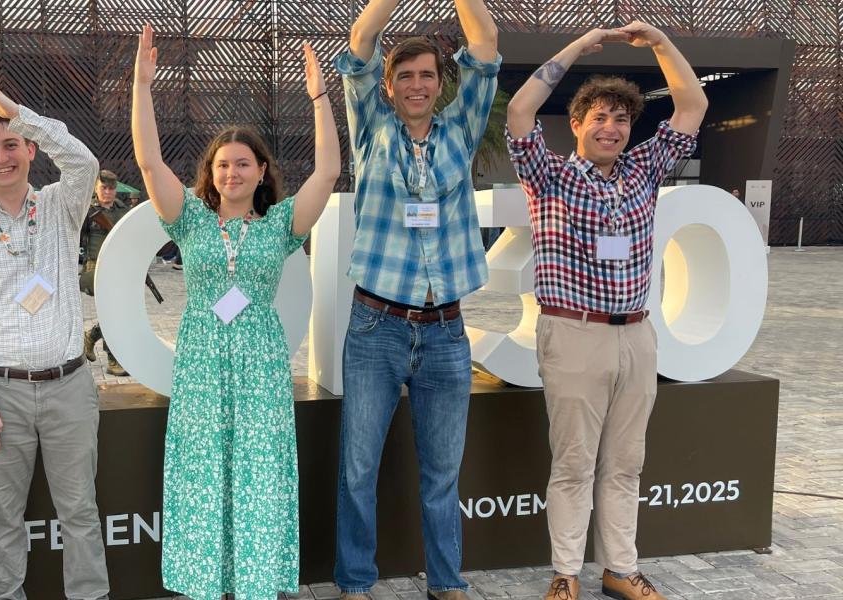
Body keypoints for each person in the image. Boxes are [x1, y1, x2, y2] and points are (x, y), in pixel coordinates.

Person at [132, 24, 340, 600]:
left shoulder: (280, 226)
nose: (232, 173)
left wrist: (319, 97)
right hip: (200, 361)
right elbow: (148, 162)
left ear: (261, 171)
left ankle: (255, 582)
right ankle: (205, 582)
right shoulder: (189, 219)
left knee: (258, 470)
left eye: (243, 163)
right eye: (223, 164)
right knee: (202, 470)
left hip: (260, 364)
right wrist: (143, 87)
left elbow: (327, 173)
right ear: (212, 172)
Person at [505, 22, 706, 600]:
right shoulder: (549, 176)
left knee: (626, 463)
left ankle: (621, 569)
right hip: (573, 333)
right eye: (599, 117)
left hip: (635, 335)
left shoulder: (644, 170)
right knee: (574, 463)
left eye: (621, 119)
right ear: (577, 124)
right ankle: (565, 573)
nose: (611, 128)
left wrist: (661, 43)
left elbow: (693, 105)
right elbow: (519, 111)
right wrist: (579, 46)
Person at [332, 1, 499, 598]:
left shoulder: (461, 128)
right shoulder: (371, 127)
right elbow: (361, 37)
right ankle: (356, 581)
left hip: (446, 331)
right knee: (358, 468)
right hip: (375, 326)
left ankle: (446, 582)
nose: (417, 84)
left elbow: (485, 41)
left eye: (427, 74)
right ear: (388, 85)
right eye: (405, 75)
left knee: (442, 472)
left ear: (440, 82)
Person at [0, 87, 110, 600]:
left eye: (11, 144)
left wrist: (19, 115)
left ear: (31, 148)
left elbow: (84, 162)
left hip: (69, 386)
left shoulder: (61, 204)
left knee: (79, 510)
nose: (2, 157)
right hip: (1, 395)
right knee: (3, 515)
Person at [80, 169, 132, 376]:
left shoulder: (123, 210)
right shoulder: (87, 210)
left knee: (118, 311)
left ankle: (91, 336)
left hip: (118, 266)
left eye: (111, 188)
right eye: (104, 188)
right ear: (96, 188)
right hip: (96, 267)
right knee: (112, 312)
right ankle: (113, 359)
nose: (108, 192)